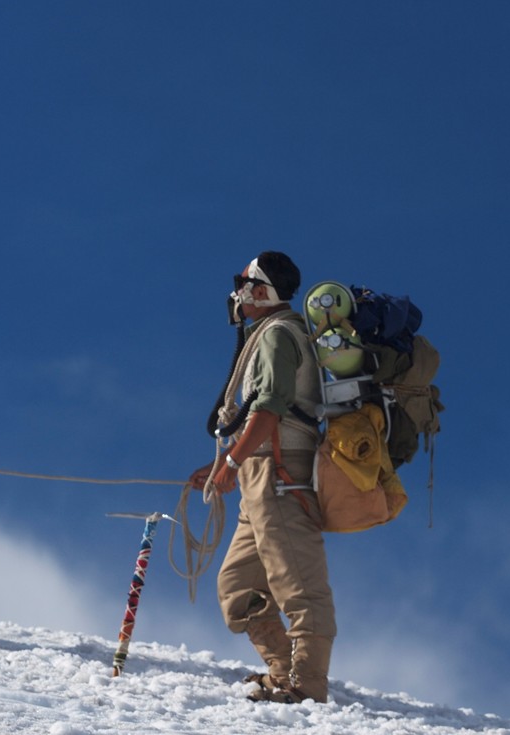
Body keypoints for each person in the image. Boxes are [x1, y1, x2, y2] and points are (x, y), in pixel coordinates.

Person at [190, 251, 335, 704]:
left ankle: (307, 685)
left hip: (279, 472)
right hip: (260, 474)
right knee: (237, 586)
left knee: (299, 585)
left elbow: (270, 408)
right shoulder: (269, 333)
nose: (236, 294)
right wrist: (224, 465)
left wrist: (231, 462)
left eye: (244, 284)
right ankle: (282, 670)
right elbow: (259, 413)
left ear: (260, 291)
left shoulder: (278, 335)